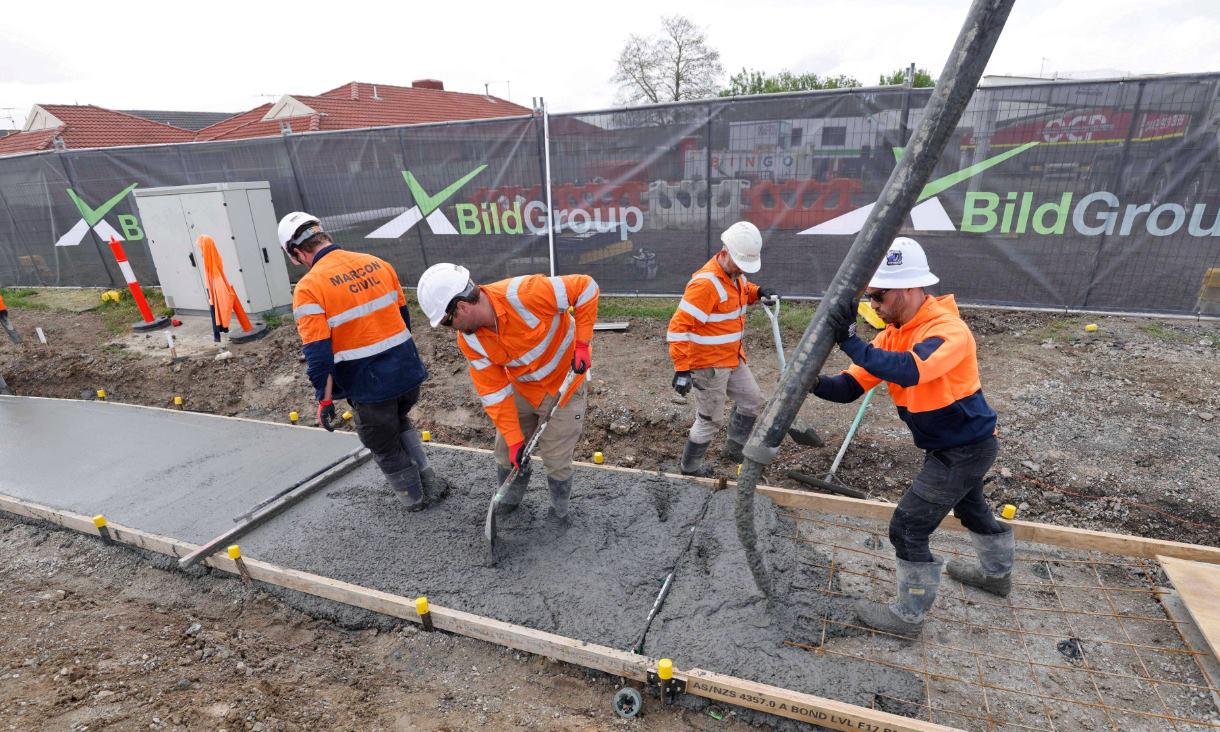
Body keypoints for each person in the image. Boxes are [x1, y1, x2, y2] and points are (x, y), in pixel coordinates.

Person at [811, 237, 1009, 637]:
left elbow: (912, 369)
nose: (874, 306)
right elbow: (850, 387)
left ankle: (908, 618)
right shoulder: (892, 333)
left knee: (907, 528)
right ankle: (997, 576)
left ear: (907, 289)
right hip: (947, 447)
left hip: (965, 450)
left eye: (878, 297)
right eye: (869, 297)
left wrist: (849, 340)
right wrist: (808, 382)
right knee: (971, 512)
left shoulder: (948, 330)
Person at [279, 211, 446, 512]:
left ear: (296, 252)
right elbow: (403, 319)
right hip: (407, 374)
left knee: (381, 441)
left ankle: (416, 501)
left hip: (370, 386)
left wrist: (324, 400)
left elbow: (318, 355)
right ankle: (430, 480)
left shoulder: (309, 287)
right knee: (398, 421)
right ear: (323, 235)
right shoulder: (377, 263)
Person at [417, 263, 598, 522]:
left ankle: (560, 512)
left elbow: (586, 287)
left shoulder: (526, 294)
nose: (452, 329)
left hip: (564, 385)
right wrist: (515, 440)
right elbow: (493, 391)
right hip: (523, 386)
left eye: (448, 322)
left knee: (556, 459)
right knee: (506, 451)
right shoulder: (470, 340)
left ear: (462, 307)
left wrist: (582, 343)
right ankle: (510, 501)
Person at [666, 221, 777, 476]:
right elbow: (678, 328)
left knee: (752, 401)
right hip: (707, 366)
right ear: (725, 252)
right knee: (709, 419)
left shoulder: (735, 275)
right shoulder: (705, 285)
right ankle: (690, 467)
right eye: (740, 264)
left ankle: (734, 448)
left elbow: (739, 294)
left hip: (732, 357)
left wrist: (758, 292)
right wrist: (682, 369)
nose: (742, 270)